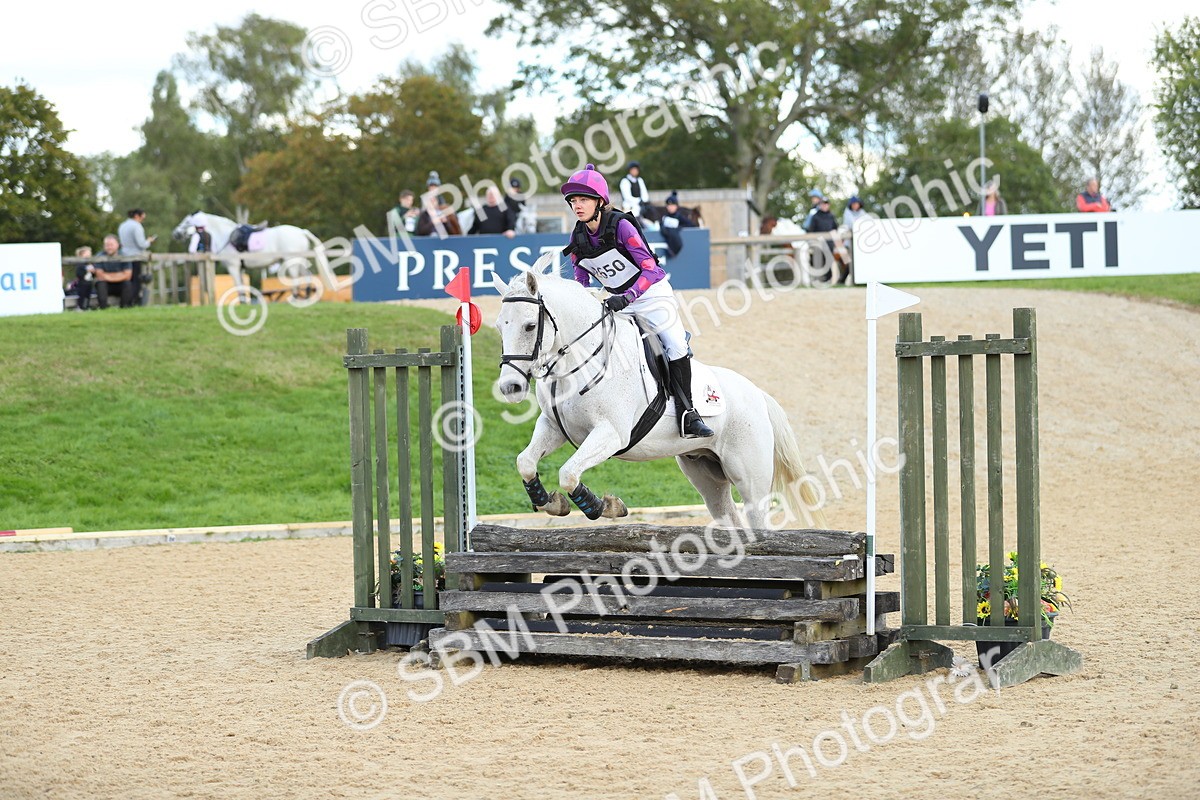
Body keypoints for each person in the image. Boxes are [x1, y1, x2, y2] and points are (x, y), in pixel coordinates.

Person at [560, 164, 713, 439]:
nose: (577, 206)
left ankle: (689, 414)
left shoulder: (622, 225)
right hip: (619, 300)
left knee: (675, 344)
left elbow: (651, 269)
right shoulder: (578, 237)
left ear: (600, 201)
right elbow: (580, 280)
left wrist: (628, 296)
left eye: (583, 199)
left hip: (652, 295)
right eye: (573, 201)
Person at [117, 208, 156, 306]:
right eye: (142, 217)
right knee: (135, 281)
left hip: (123, 256)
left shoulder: (122, 225)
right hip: (135, 257)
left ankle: (126, 300)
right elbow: (141, 244)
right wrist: (149, 241)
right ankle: (132, 301)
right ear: (136, 216)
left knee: (127, 280)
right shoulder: (137, 226)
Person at [805, 196, 839, 283]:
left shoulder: (831, 216)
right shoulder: (815, 216)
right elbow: (811, 229)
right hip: (818, 243)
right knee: (817, 260)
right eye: (823, 204)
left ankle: (828, 278)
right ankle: (817, 279)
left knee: (828, 260)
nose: (824, 206)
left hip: (829, 243)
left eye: (826, 204)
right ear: (820, 205)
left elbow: (835, 228)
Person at [416, 171, 462, 236]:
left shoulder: (442, 202)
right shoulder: (425, 207)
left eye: (435, 186)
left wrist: (445, 221)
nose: (432, 188)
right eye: (431, 186)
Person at [94, 234, 134, 309]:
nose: (109, 247)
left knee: (128, 284)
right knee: (100, 283)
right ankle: (103, 308)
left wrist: (107, 275)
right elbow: (100, 275)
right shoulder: (99, 256)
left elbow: (128, 276)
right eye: (107, 245)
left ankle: (124, 308)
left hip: (120, 285)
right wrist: (119, 275)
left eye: (111, 245)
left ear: (117, 245)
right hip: (106, 285)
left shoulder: (125, 256)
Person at [658, 191, 698, 259]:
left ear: (676, 206)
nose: (670, 207)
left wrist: (679, 228)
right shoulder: (664, 217)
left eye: (672, 205)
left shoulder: (680, 216)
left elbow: (691, 225)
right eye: (668, 205)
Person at [69, 246, 97, 310]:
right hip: (82, 283)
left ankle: (86, 306)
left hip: (89, 282)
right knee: (82, 295)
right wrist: (86, 270)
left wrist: (93, 272)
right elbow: (79, 274)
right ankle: (81, 306)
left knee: (88, 295)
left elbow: (94, 273)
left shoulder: (90, 263)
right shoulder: (80, 264)